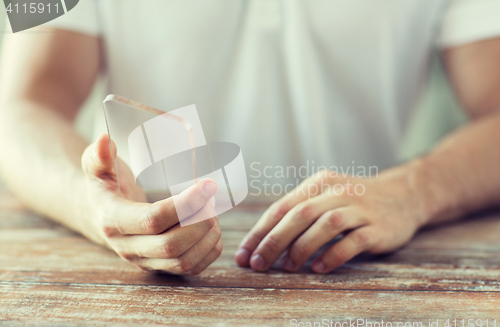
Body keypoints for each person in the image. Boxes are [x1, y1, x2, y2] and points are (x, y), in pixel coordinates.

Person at [0, 0, 499, 275]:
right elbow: (19, 108)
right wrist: (95, 207)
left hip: (360, 266)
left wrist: (414, 191)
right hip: (153, 279)